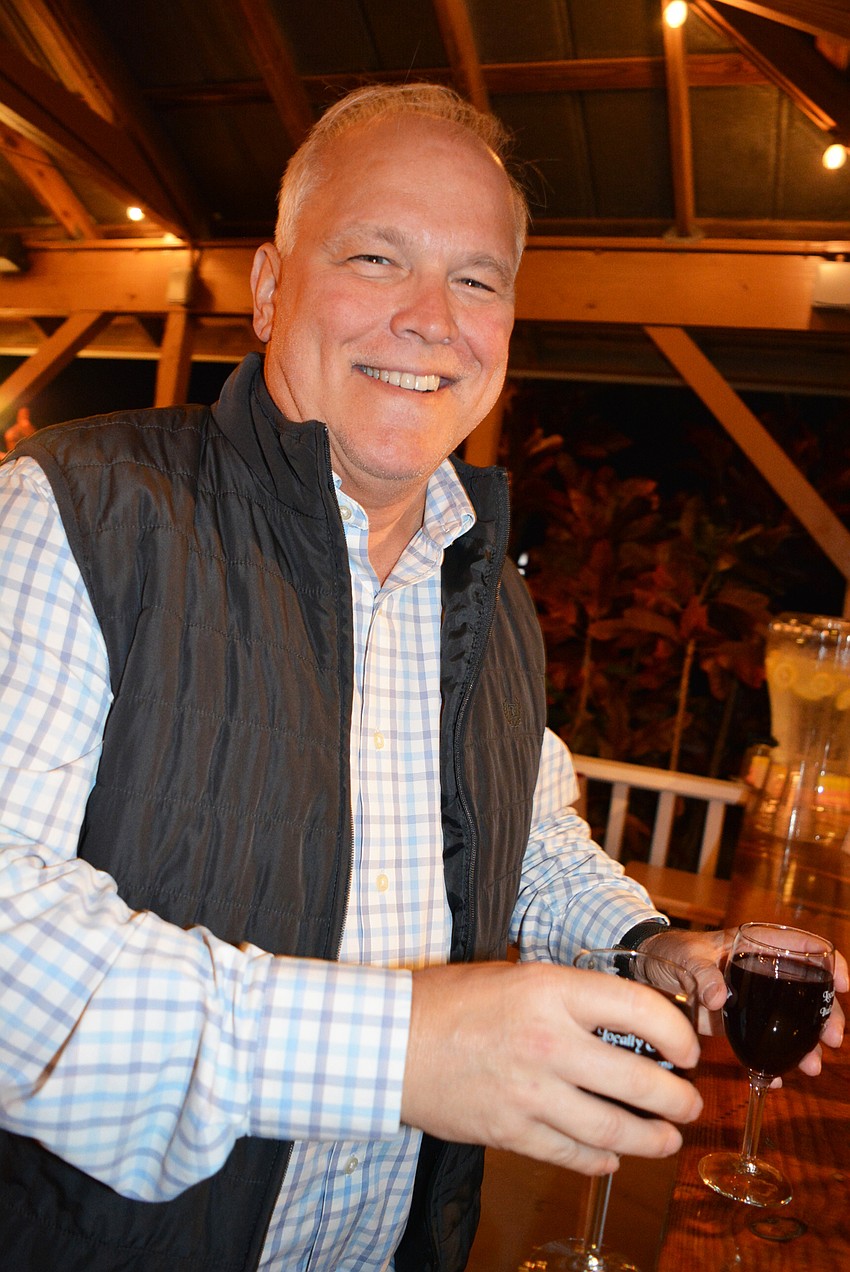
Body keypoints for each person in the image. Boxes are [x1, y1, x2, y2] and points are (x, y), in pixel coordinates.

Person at [0, 82, 845, 1272]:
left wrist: (645, 945)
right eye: (376, 256)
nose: (430, 320)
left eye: (475, 279)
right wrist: (400, 1049)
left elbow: (527, 833)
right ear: (266, 288)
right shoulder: (73, 510)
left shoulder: (486, 587)